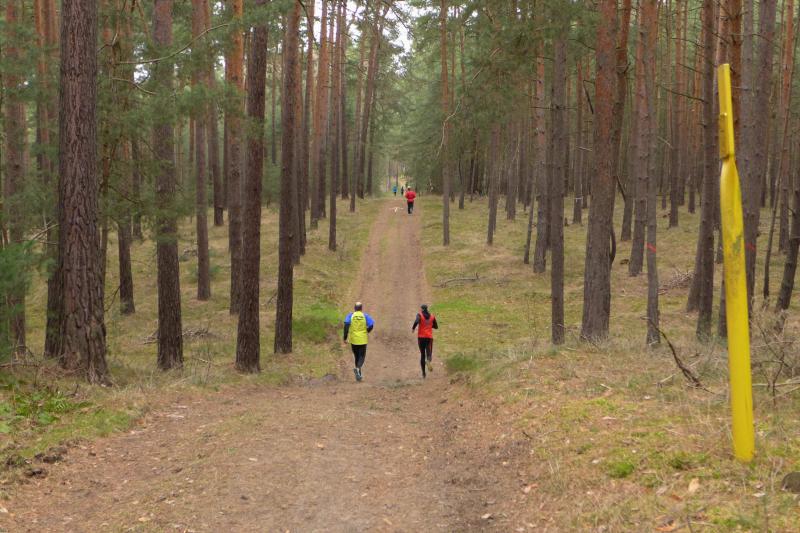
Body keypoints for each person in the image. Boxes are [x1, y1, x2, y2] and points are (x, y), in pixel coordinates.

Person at [343, 302, 375, 381]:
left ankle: (359, 375)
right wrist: (367, 330)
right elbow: (371, 325)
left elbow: (346, 326)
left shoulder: (350, 315)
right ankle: (358, 369)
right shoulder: (365, 316)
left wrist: (345, 337)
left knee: (356, 356)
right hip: (362, 339)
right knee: (362, 356)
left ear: (354, 308)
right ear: (361, 308)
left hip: (353, 339)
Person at [412, 304, 438, 378]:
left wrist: (413, 328)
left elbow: (416, 321)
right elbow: (436, 326)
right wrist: (429, 325)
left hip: (421, 338)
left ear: (422, 309)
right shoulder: (432, 316)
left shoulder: (419, 315)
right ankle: (428, 361)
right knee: (429, 354)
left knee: (422, 355)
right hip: (429, 338)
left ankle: (423, 373)